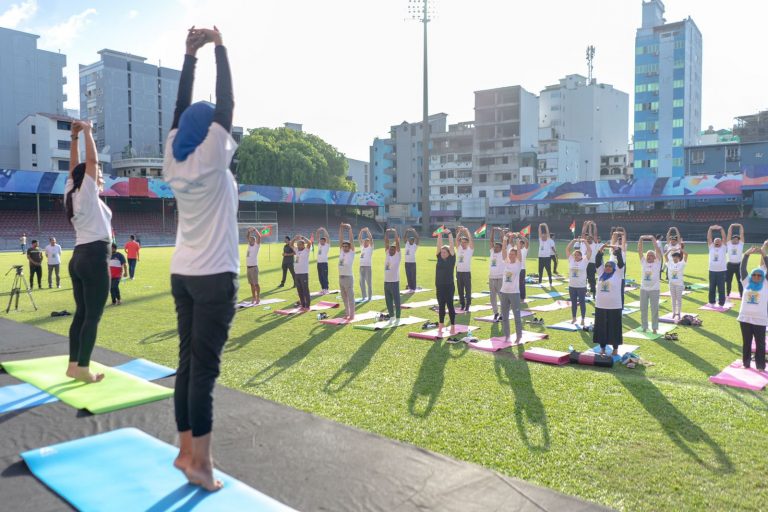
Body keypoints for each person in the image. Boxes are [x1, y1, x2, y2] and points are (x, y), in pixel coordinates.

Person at [164, 26, 238, 491]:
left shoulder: (175, 159)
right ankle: (201, 465)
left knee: (187, 364)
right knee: (203, 372)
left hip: (183, 273)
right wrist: (222, 47)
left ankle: (184, 450)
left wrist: (190, 57)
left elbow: (179, 111)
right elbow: (227, 105)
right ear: (209, 130)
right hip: (212, 278)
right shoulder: (213, 154)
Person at [65, 118, 112, 383]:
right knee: (92, 316)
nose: (101, 178)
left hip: (79, 257)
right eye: (99, 176)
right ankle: (83, 367)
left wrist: (74, 138)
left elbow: (75, 168)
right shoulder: (87, 194)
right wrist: (89, 132)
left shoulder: (71, 192)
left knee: (82, 313)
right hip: (94, 258)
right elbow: (90, 164)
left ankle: (74, 365)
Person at [737, 247, 768, 372]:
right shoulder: (746, 282)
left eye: (758, 275)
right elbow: (742, 269)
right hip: (745, 318)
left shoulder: (766, 284)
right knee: (747, 342)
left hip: (760, 319)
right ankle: (746, 363)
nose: (756, 276)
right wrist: (746, 254)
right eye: (754, 274)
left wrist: (764, 254)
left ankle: (760, 366)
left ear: (762, 276)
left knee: (760, 344)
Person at [594, 243, 625, 356]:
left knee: (614, 327)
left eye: (609, 266)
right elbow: (597, 261)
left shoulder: (618, 273)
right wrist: (601, 250)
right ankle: (602, 348)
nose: (607, 268)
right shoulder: (601, 273)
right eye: (606, 266)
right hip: (601, 306)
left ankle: (615, 349)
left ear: (614, 268)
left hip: (614, 306)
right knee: (602, 328)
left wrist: (617, 251)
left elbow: (620, 263)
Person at [499, 233, 524, 343]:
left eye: (513, 254)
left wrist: (517, 239)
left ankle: (519, 336)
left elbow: (519, 252)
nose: (511, 255)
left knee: (516, 316)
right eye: (510, 254)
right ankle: (507, 335)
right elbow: (503, 249)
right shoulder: (506, 262)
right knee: (504, 316)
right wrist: (505, 237)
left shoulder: (518, 263)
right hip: (504, 292)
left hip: (514, 293)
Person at [638, 235, 663, 334]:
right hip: (643, 289)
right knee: (643, 308)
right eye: (648, 255)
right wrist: (640, 239)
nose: (649, 257)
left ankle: (654, 327)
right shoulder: (643, 262)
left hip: (654, 289)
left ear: (655, 257)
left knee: (654, 309)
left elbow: (657, 251)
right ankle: (644, 326)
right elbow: (640, 251)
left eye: (651, 255)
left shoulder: (657, 263)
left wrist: (653, 240)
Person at [435, 229, 457, 335]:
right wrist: (439, 234)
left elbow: (451, 246)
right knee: (441, 305)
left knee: (450, 305)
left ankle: (452, 325)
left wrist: (449, 234)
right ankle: (441, 325)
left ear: (449, 253)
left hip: (449, 286)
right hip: (439, 286)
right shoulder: (439, 258)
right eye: (442, 252)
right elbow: (439, 245)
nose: (442, 253)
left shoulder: (451, 259)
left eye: (444, 252)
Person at [566, 237, 591, 327]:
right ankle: (574, 318)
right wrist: (573, 241)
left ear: (581, 256)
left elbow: (589, 251)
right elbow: (567, 249)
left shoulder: (584, 261)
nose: (576, 256)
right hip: (572, 286)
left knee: (582, 302)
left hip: (581, 286)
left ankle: (583, 319)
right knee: (573, 303)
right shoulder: (571, 260)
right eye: (575, 255)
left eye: (578, 255)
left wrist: (585, 242)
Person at [338, 224, 356, 320]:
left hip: (348, 277)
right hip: (340, 277)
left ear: (349, 247)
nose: (344, 247)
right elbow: (340, 239)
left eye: (346, 246)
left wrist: (349, 229)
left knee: (350, 298)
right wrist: (341, 228)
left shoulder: (351, 253)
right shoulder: (341, 252)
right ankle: (347, 313)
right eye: (343, 246)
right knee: (344, 298)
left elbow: (352, 241)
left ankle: (352, 315)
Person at [707, 225, 728, 307]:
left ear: (721, 242)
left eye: (719, 241)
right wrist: (710, 229)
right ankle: (711, 302)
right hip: (712, 270)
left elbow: (724, 238)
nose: (717, 242)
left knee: (721, 288)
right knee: (712, 287)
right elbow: (709, 238)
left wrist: (721, 229)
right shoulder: (711, 247)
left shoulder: (723, 247)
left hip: (721, 271)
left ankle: (721, 303)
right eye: (716, 241)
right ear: (714, 242)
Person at [383, 228, 402, 320]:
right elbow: (386, 242)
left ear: (396, 251)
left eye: (393, 249)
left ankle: (398, 317)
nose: (390, 250)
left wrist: (395, 232)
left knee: (396, 300)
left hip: (394, 282)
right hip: (386, 282)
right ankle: (391, 316)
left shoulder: (398, 256)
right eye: (390, 249)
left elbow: (397, 244)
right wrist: (386, 233)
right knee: (388, 301)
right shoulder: (387, 254)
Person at [666, 244, 688, 321]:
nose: (675, 258)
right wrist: (670, 250)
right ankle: (673, 312)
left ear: (679, 258)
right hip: (671, 284)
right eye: (673, 257)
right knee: (673, 298)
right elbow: (665, 256)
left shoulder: (681, 264)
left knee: (678, 299)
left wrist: (680, 249)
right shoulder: (670, 263)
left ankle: (678, 313)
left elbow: (686, 255)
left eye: (676, 257)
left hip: (679, 284)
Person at [455, 226, 474, 311]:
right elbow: (457, 240)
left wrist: (466, 231)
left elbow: (471, 240)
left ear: (467, 243)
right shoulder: (459, 249)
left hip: (466, 272)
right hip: (458, 271)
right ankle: (462, 304)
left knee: (468, 289)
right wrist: (459, 232)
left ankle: (468, 304)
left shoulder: (470, 250)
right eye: (462, 242)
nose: (462, 244)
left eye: (464, 242)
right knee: (460, 289)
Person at [488, 227, 505, 322]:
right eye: (495, 246)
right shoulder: (492, 252)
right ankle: (496, 313)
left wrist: (501, 232)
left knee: (501, 297)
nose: (495, 247)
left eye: (497, 247)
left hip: (500, 278)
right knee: (492, 297)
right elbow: (491, 241)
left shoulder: (502, 253)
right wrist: (493, 231)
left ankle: (502, 314)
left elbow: (503, 241)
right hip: (491, 277)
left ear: (501, 248)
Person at [292, 235, 312, 310]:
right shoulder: (297, 250)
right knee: (299, 290)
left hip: (304, 273)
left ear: (303, 245)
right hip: (297, 273)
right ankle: (303, 304)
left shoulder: (306, 250)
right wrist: (295, 238)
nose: (298, 246)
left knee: (305, 289)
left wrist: (303, 238)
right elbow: (291, 244)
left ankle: (307, 305)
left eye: (300, 244)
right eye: (298, 244)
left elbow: (309, 243)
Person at [582, 221, 601, 297]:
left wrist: (594, 225)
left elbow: (595, 234)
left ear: (592, 239)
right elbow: (583, 234)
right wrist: (585, 225)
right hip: (583, 263)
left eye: (590, 238)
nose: (589, 239)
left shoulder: (594, 244)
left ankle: (593, 292)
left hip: (592, 264)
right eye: (588, 238)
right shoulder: (583, 243)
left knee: (592, 279)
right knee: (583, 278)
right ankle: (584, 291)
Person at [726, 223, 745, 298]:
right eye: (733, 239)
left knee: (740, 281)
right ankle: (727, 294)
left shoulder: (740, 244)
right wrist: (731, 226)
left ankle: (742, 294)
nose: (735, 240)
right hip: (729, 265)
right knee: (728, 281)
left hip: (738, 265)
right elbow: (729, 234)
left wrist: (740, 226)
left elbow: (742, 234)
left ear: (738, 240)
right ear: (731, 240)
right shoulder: (729, 244)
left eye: (737, 239)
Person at [245, 227, 261, 304]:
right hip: (248, 268)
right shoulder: (249, 245)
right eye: (249, 240)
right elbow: (247, 236)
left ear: (254, 241)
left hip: (254, 268)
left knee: (256, 284)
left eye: (251, 240)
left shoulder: (256, 246)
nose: (249, 240)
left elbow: (259, 236)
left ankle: (258, 298)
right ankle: (253, 297)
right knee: (251, 284)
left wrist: (255, 230)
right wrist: (249, 231)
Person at [358, 228, 374, 301]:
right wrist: (361, 231)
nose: (365, 243)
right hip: (361, 267)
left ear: (369, 243)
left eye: (367, 242)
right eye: (364, 242)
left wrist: (367, 231)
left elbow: (371, 239)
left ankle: (370, 297)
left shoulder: (370, 248)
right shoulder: (362, 247)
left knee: (368, 282)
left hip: (367, 267)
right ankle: (364, 296)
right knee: (361, 282)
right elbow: (359, 238)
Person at [315, 227, 331, 294]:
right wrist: (318, 231)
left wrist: (324, 230)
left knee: (324, 276)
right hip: (319, 263)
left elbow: (327, 237)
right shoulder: (319, 245)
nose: (321, 242)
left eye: (322, 241)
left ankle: (326, 289)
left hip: (324, 263)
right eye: (320, 241)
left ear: (325, 241)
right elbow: (317, 237)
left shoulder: (327, 245)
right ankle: (323, 288)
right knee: (320, 276)